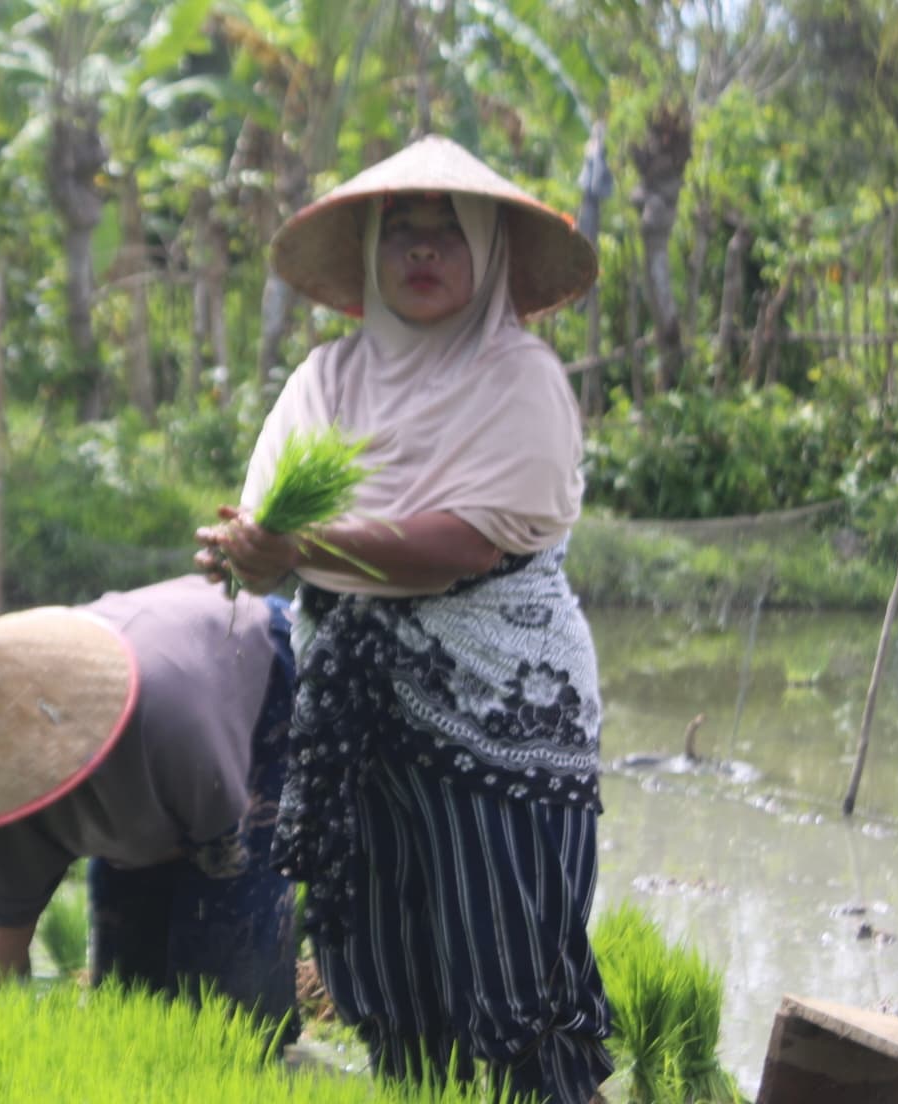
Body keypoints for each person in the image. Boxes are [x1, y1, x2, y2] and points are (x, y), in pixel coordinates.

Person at [194, 136, 613, 1103]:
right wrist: (239, 551)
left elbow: (466, 541)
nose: (422, 252)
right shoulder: (325, 384)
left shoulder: (521, 379)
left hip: (499, 716)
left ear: (489, 255)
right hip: (354, 717)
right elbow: (267, 524)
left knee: (510, 974)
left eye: (447, 237)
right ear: (373, 257)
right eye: (402, 235)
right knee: (381, 971)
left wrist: (296, 550)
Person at [0, 575, 301, 1045]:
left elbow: (222, 848)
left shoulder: (167, 723)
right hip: (155, 725)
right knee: (128, 993)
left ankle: (253, 1068)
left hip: (252, 669)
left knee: (230, 980)